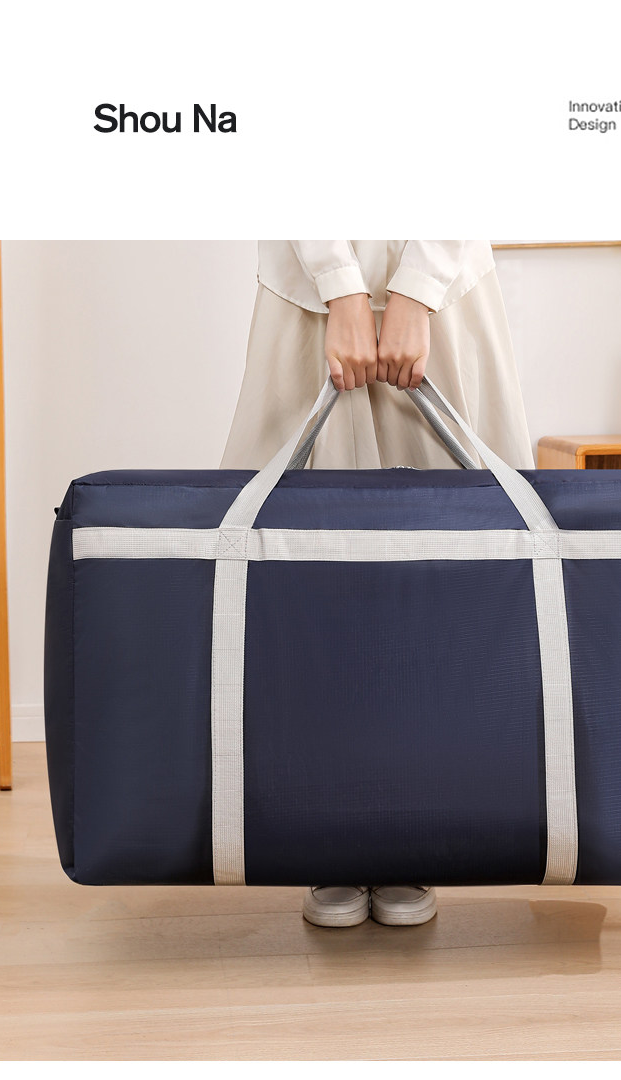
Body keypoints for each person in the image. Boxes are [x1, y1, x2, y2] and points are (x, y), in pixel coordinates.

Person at [220, 240, 535, 928]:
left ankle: (416, 823)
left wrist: (418, 290)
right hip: (308, 296)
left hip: (446, 297)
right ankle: (326, 825)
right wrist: (341, 288)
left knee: (454, 579)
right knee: (296, 577)